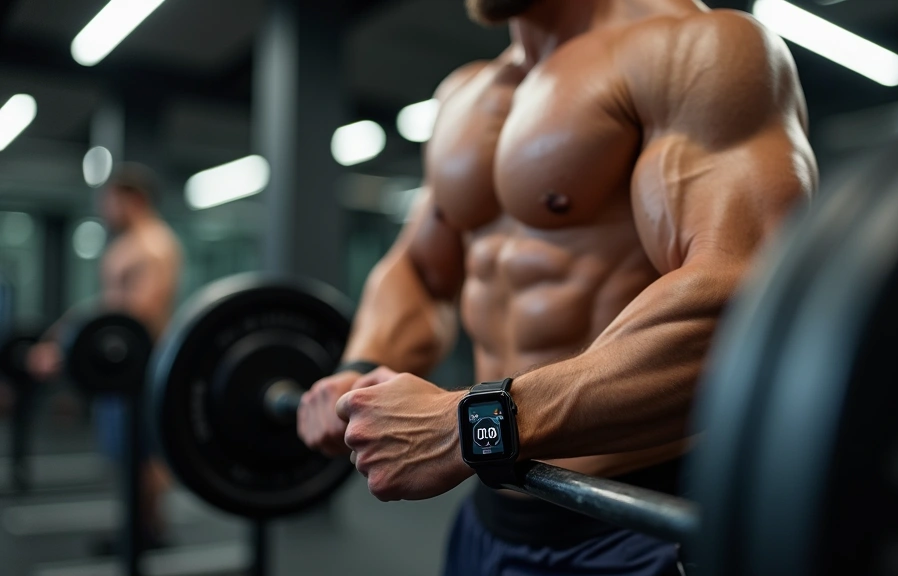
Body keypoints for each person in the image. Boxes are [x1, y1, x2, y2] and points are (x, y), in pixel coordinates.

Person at [299, 0, 816, 574]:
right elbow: (421, 270)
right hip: (491, 508)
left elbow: (748, 296)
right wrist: (363, 369)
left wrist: (476, 421)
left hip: (638, 519)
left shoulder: (694, 48)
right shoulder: (462, 96)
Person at [27, 163, 183, 550]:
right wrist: (62, 336)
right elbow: (108, 306)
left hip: (142, 364)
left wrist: (67, 346)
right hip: (119, 361)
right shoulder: (127, 244)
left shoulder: (155, 245)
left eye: (110, 200)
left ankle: (147, 529)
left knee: (141, 453)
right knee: (124, 451)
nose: (103, 208)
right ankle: (143, 526)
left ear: (135, 199)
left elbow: (137, 312)